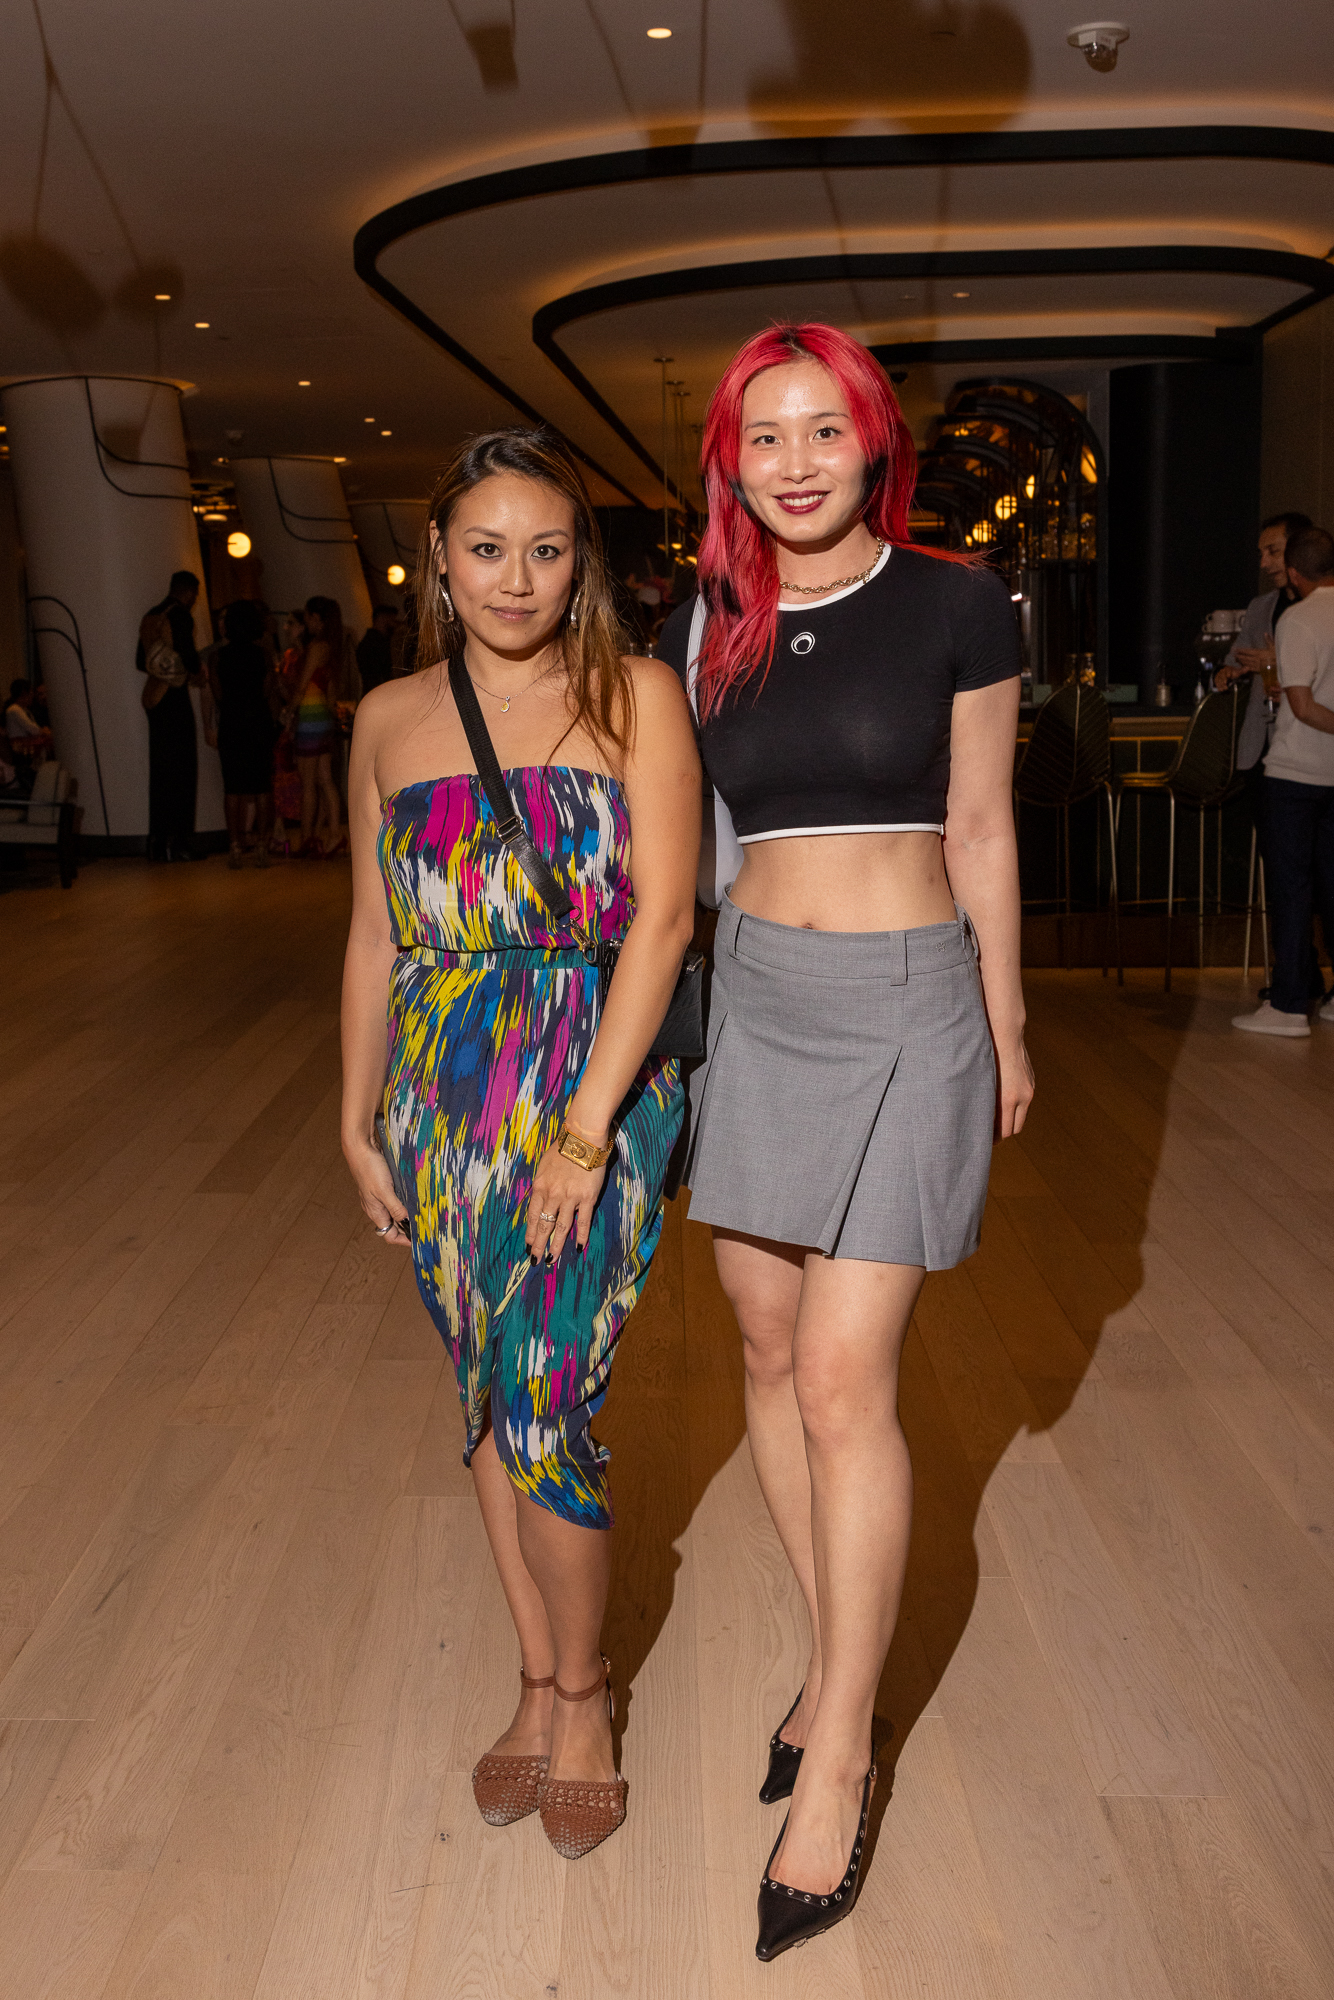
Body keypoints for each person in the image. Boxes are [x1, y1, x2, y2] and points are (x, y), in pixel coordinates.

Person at [657, 322, 1033, 1961]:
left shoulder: (956, 602)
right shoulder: (705, 625)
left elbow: (980, 825)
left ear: (873, 442)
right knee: (759, 1344)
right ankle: (832, 1666)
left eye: (824, 429)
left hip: (904, 1006)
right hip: (755, 1001)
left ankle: (840, 1760)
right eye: (764, 436)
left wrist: (1003, 1025)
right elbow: (675, 841)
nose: (795, 461)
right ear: (727, 464)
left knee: (834, 1377)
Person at [340, 425, 698, 1861]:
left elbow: (663, 922)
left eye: (545, 549)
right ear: (437, 557)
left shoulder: (637, 696)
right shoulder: (384, 718)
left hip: (586, 1084)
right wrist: (353, 1115)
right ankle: (537, 1681)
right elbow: (373, 936)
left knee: (548, 1400)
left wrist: (585, 1135)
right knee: (489, 1395)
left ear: (578, 562)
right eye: (485, 548)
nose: (515, 577)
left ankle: (588, 1692)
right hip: (439, 1097)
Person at [1233, 524, 1334, 1037]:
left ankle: (1290, 1004)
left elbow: (1302, 705)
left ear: (1294, 572)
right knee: (1333, 886)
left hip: (1296, 773)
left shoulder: (1298, 618)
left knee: (1291, 889)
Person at [1214, 511, 1312, 814]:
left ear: (1300, 550)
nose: (1264, 563)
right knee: (1268, 833)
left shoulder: (1321, 608)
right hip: (1260, 745)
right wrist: (1229, 672)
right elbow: (1235, 658)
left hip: (1308, 746)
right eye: (1261, 554)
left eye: (1273, 551)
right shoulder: (1260, 607)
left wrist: (1277, 661)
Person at [137, 569, 205, 861]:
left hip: (154, 697)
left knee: (161, 771)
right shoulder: (180, 616)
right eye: (195, 596)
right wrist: (196, 669)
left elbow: (140, 660)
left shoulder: (151, 615)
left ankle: (156, 842)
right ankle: (180, 844)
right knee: (183, 770)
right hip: (175, 697)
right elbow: (189, 656)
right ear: (188, 593)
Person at [207, 600, 279, 868]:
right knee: (262, 787)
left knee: (233, 788)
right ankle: (262, 845)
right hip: (258, 723)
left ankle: (235, 846)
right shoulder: (263, 655)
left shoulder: (217, 657)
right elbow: (267, 690)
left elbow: (218, 694)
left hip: (232, 723)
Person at [282, 595, 345, 856]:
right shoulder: (332, 645)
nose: (306, 622)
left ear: (316, 618)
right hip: (322, 716)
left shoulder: (317, 646)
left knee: (309, 782)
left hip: (309, 717)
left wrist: (289, 711)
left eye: (307, 617)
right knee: (324, 779)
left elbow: (302, 684)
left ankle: (308, 838)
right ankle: (333, 835)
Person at [5, 678, 53, 786]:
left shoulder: (24, 710)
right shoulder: (14, 710)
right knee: (47, 742)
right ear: (24, 693)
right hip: (20, 745)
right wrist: (44, 731)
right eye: (31, 693)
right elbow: (33, 729)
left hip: (26, 742)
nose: (32, 696)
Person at [356, 604, 400, 694]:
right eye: (391, 619)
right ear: (382, 618)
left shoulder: (369, 641)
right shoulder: (376, 643)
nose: (394, 624)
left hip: (375, 692)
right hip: (381, 691)